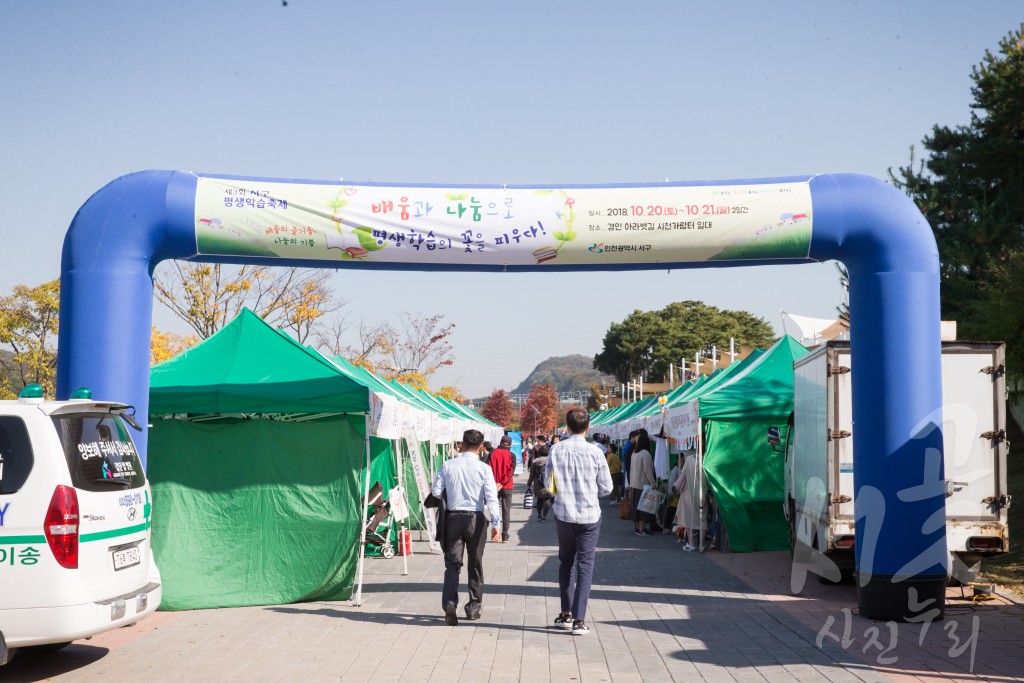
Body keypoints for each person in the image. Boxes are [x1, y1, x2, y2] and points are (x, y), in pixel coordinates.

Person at [545, 408, 612, 636]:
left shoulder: (556, 450)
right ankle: (579, 619)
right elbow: (607, 487)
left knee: (566, 562)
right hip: (590, 515)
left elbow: (548, 484)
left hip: (564, 513)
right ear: (588, 427)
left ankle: (565, 613)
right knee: (585, 564)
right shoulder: (596, 453)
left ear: (567, 427)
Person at [430, 429, 501, 625]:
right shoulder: (484, 469)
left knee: (452, 564)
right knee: (475, 563)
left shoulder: (447, 465)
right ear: (481, 447)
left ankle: (450, 602)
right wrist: (496, 523)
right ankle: (473, 607)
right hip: (475, 520)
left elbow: (436, 492)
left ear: (461, 444)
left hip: (452, 518)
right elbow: (492, 497)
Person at [628, 430, 657, 535]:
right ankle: (641, 529)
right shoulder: (646, 454)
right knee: (643, 509)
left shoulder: (634, 453)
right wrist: (653, 483)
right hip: (642, 485)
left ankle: (637, 528)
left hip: (634, 484)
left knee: (636, 508)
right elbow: (648, 471)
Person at [489, 435, 516, 543]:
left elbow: (489, 469)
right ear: (510, 445)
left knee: (494, 509)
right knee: (506, 511)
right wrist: (502, 483)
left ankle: (495, 532)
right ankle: (505, 536)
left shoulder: (492, 453)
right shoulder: (512, 455)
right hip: (507, 486)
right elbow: (511, 471)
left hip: (493, 485)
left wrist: (495, 483)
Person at [527, 444, 551, 521]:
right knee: (546, 500)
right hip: (548, 482)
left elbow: (532, 474)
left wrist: (529, 483)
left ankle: (539, 515)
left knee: (539, 499)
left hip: (538, 482)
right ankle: (544, 517)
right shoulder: (551, 461)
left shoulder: (535, 461)